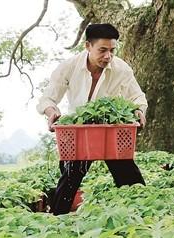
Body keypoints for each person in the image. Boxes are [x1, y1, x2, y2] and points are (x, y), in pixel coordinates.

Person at [36, 23, 148, 215]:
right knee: (70, 177)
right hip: (79, 131)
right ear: (87, 46)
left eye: (112, 50)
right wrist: (51, 111)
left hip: (111, 129)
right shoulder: (69, 67)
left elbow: (137, 97)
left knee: (128, 175)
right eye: (102, 50)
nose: (108, 56)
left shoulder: (121, 69)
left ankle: (143, 212)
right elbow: (48, 98)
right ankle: (56, 219)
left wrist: (139, 111)